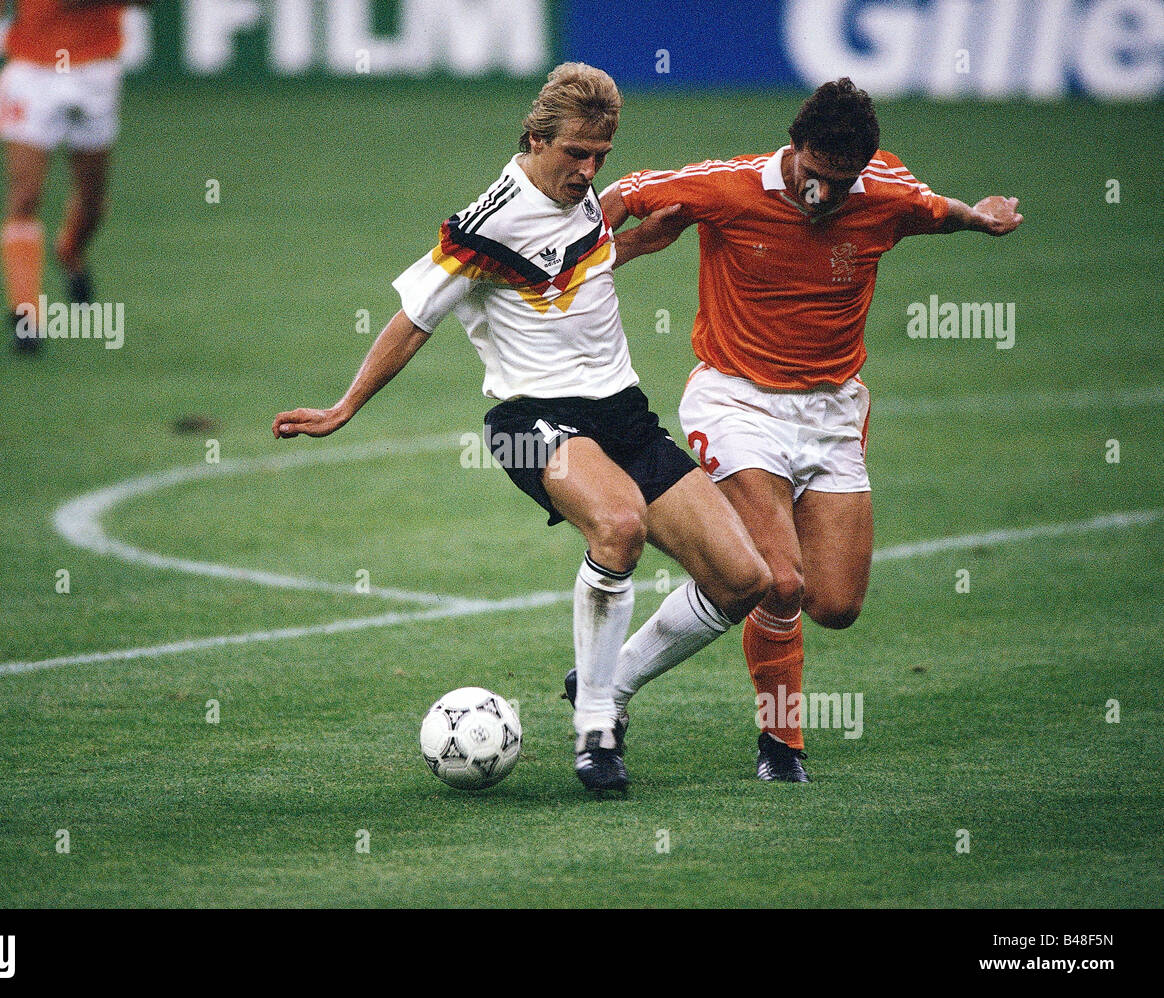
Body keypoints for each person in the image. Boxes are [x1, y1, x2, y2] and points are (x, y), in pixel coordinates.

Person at [273, 63, 769, 793]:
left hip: (622, 412)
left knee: (743, 581)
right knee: (620, 525)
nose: (590, 169)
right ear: (535, 138)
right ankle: (596, 730)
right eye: (576, 154)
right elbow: (415, 319)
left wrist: (632, 244)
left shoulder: (583, 199)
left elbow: (565, 272)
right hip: (527, 419)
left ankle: (605, 682)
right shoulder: (485, 224)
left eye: (601, 156)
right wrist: (346, 406)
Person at [600, 77, 1023, 781]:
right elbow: (624, 195)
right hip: (737, 402)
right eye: (814, 177)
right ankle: (776, 744)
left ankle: (611, 672)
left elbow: (935, 211)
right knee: (780, 581)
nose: (823, 195)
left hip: (830, 413)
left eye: (842, 181)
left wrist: (979, 217)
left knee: (835, 603)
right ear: (793, 148)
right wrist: (571, 247)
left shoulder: (885, 195)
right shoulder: (729, 187)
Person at [0, 0, 149, 353]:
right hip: (32, 71)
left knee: (91, 199)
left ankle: (70, 252)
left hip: (94, 72)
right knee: (24, 196)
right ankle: (26, 317)